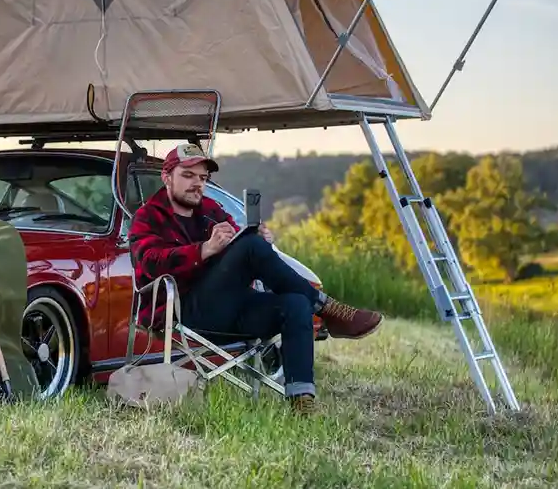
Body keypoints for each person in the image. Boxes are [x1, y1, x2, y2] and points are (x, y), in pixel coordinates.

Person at [128, 142, 383, 414]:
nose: (197, 184)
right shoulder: (147, 217)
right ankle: (329, 308)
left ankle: (301, 401)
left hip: (232, 307)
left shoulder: (210, 210)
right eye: (188, 176)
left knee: (295, 302)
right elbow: (149, 262)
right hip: (184, 309)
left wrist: (263, 242)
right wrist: (204, 250)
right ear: (167, 177)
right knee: (250, 247)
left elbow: (241, 245)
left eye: (202, 178)